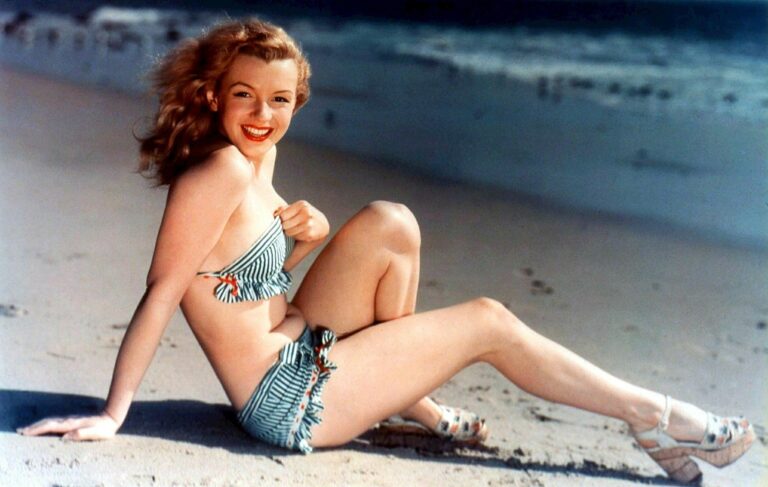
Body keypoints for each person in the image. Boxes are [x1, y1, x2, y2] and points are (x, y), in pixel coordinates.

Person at [16, 18, 754, 483]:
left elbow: (238, 292)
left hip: (296, 348)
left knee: (389, 221)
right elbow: (165, 289)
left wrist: (299, 244)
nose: (262, 114)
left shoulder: (259, 166)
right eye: (244, 96)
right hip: (285, 401)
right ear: (215, 95)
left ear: (297, 101)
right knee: (489, 321)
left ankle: (407, 397)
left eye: (279, 99)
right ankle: (655, 413)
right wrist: (113, 413)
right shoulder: (221, 170)